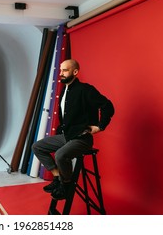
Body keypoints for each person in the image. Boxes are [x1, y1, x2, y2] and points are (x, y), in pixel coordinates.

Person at [32, 59, 114, 200]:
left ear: (75, 72)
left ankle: (66, 185)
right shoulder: (64, 91)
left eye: (65, 70)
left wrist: (100, 126)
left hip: (82, 138)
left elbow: (108, 106)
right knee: (37, 147)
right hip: (67, 136)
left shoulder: (86, 90)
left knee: (60, 155)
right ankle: (57, 178)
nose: (61, 74)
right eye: (61, 70)